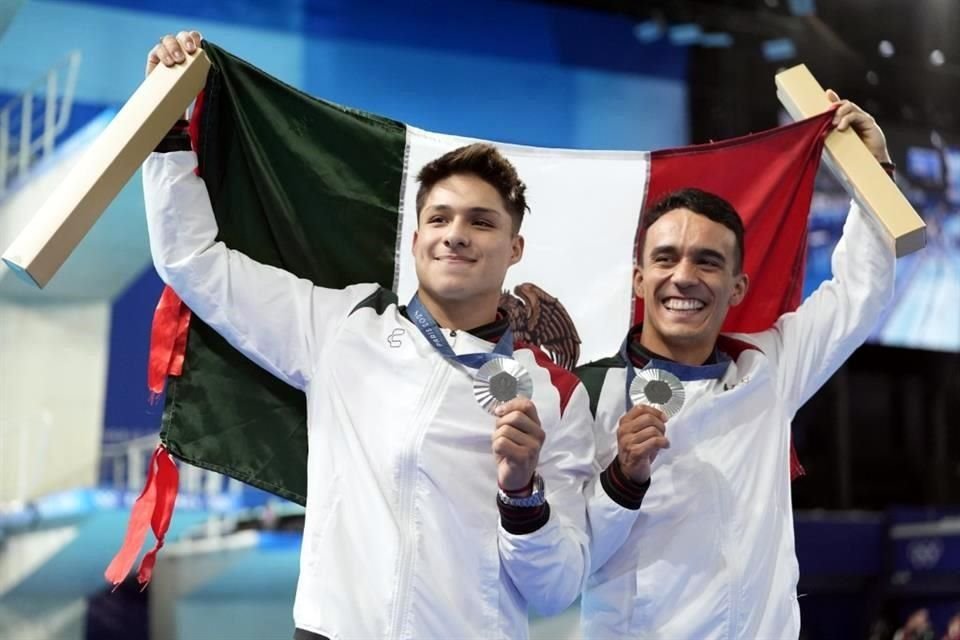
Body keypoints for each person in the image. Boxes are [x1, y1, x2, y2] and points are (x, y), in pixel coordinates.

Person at [145, 31, 594, 640]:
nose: (456, 235)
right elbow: (195, 263)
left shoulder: (554, 396)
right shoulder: (341, 330)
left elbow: (556, 589)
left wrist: (522, 494)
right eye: (438, 218)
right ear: (415, 242)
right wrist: (166, 132)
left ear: (514, 249)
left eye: (481, 222)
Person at [575, 93, 898, 638]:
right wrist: (620, 480)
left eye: (708, 262)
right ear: (639, 281)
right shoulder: (589, 393)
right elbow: (565, 556)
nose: (684, 276)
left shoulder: (768, 367)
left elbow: (859, 291)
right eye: (666, 258)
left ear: (736, 287)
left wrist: (875, 172)